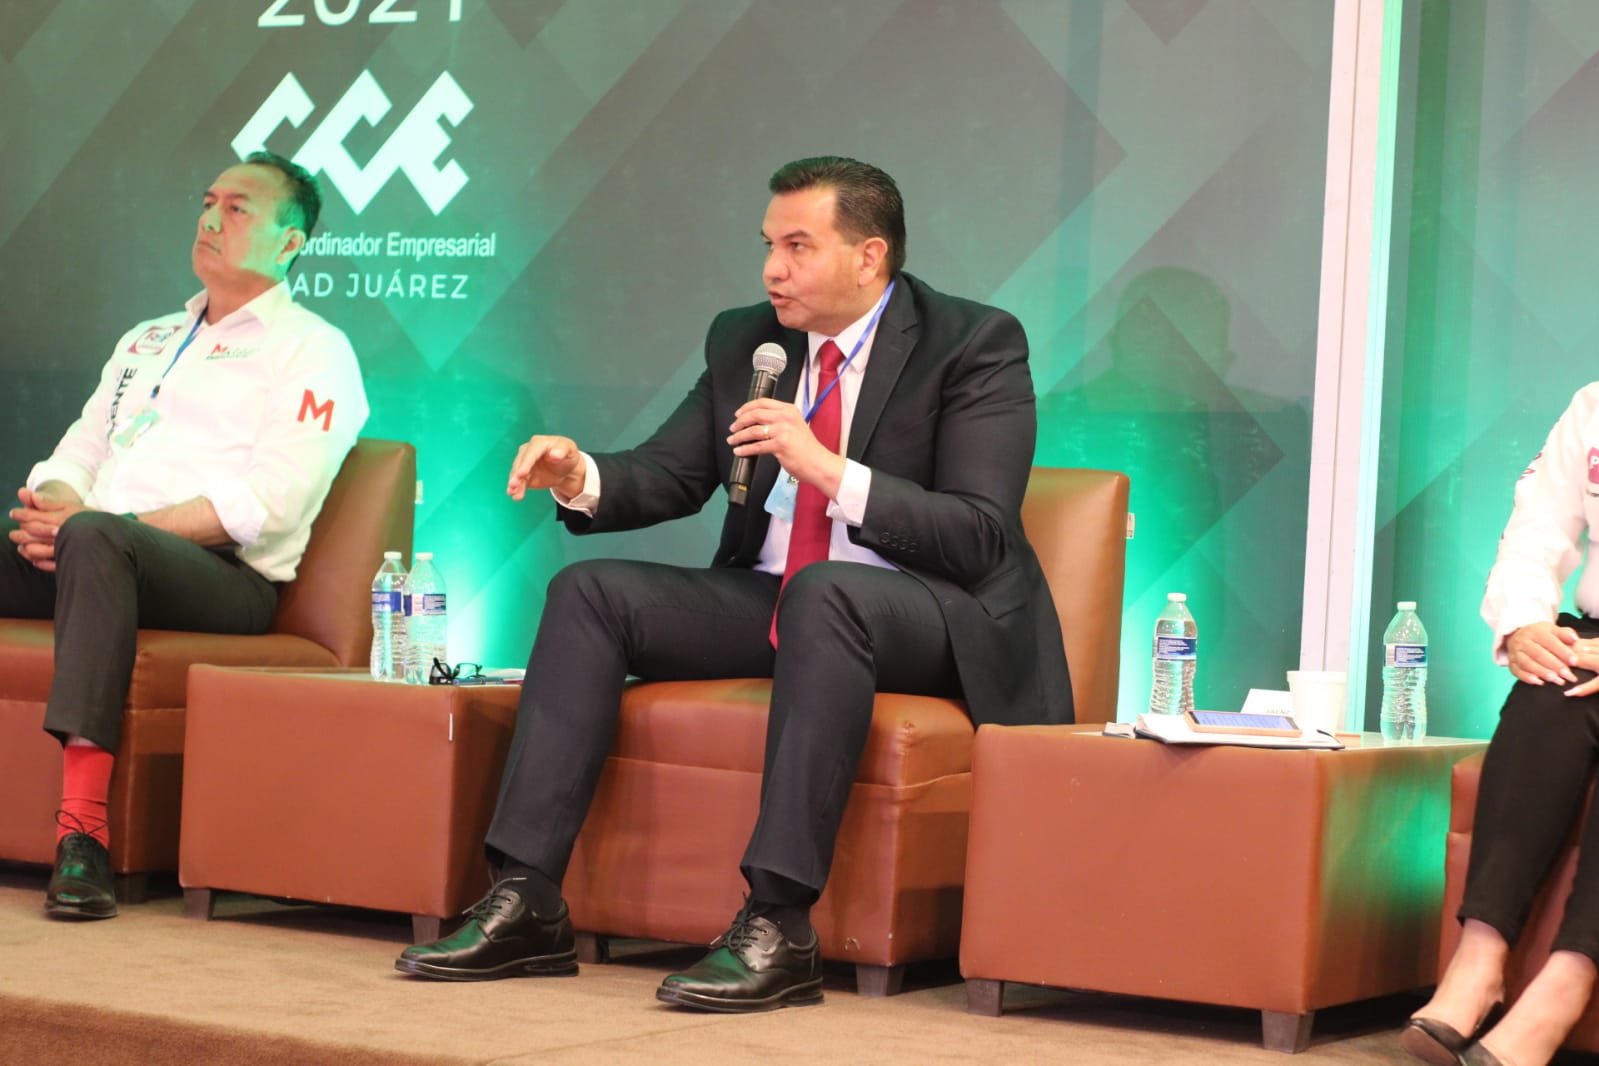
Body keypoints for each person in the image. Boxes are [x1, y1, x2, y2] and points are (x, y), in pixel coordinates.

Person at [395, 156, 1073, 1010]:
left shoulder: (972, 343)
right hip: (786, 598)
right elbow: (674, 472)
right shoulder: (748, 340)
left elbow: (978, 534)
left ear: (868, 256)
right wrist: (580, 475)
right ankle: (528, 898)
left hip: (933, 609)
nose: (771, 270)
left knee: (827, 592)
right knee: (591, 592)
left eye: (797, 247)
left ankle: (779, 923)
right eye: (767, 245)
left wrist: (825, 467)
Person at [5, 151, 368, 921]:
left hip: (223, 578)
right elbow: (78, 452)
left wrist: (100, 529)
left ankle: (82, 835)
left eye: (237, 208)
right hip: (94, 550)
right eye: (208, 201)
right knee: (88, 538)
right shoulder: (148, 337)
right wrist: (58, 511)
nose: (210, 218)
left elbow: (272, 501)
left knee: (98, 540)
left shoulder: (314, 349)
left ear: (290, 241)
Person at [1403, 383, 1599, 1065]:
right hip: (1593, 638)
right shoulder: (1593, 405)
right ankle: (1479, 959)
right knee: (1548, 689)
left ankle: (1565, 986)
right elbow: (1534, 534)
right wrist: (1523, 626)